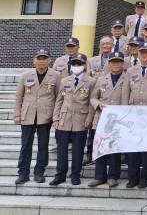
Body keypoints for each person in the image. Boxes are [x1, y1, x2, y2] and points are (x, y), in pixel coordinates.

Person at [121, 41, 147, 189]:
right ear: (137, 53)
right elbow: (126, 92)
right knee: (132, 147)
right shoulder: (130, 70)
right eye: (141, 52)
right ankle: (132, 177)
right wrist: (125, 112)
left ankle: (146, 176)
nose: (144, 54)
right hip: (133, 113)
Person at [14, 48, 59, 184]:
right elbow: (19, 96)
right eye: (39, 58)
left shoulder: (56, 75)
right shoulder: (26, 75)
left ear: (49, 60)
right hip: (27, 115)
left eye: (44, 58)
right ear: (34, 60)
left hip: (45, 116)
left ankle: (39, 172)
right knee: (25, 145)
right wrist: (17, 114)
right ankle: (23, 173)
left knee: (43, 146)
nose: (41, 61)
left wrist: (55, 116)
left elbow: (58, 98)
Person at [51, 53, 95, 186]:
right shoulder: (65, 81)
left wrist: (89, 119)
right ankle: (60, 175)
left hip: (81, 119)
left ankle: (75, 175)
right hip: (64, 119)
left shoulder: (92, 82)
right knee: (62, 149)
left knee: (78, 150)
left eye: (80, 64)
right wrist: (56, 117)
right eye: (74, 64)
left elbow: (91, 103)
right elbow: (59, 101)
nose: (77, 66)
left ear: (85, 65)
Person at [87, 51, 127, 188]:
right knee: (100, 147)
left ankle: (113, 176)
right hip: (102, 118)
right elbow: (93, 97)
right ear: (109, 64)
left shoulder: (128, 79)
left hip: (119, 119)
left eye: (118, 61)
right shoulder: (101, 80)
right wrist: (99, 105)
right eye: (113, 61)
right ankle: (100, 176)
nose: (116, 64)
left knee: (114, 149)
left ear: (123, 63)